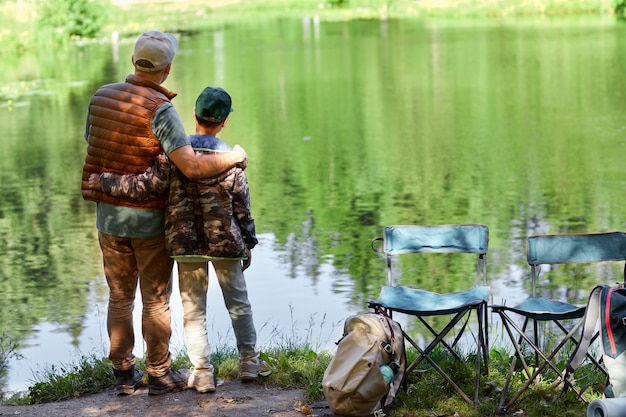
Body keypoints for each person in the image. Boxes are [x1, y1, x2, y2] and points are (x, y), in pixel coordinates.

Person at [81, 31, 248, 396]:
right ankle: (158, 372)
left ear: (133, 61)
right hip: (148, 222)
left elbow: (94, 141)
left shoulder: (100, 97)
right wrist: (233, 157)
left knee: (119, 296)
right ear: (167, 69)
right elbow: (190, 165)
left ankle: (123, 373)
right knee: (155, 299)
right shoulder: (161, 110)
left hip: (108, 218)